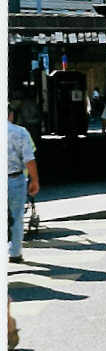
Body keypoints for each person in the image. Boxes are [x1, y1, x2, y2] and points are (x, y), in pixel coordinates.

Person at [8, 104, 40, 264]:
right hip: (15, 180)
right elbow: (29, 159)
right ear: (11, 115)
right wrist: (35, 180)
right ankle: (14, 253)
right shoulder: (20, 132)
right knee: (17, 216)